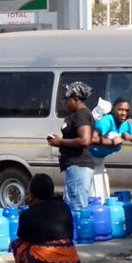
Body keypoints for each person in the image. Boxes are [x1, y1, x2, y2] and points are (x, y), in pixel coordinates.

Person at [11, 174, 80, 263]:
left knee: (17, 244)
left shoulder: (27, 214)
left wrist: (30, 207)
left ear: (32, 193)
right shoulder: (64, 207)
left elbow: (23, 237)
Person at [48, 82, 95, 212]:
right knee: (72, 205)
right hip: (73, 166)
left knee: (78, 208)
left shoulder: (81, 114)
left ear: (75, 99)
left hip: (78, 166)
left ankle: (80, 233)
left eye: (66, 99)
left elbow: (85, 140)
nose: (64, 103)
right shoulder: (77, 115)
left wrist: (61, 141)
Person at [89, 97, 132, 200]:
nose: (123, 113)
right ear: (113, 110)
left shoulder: (126, 125)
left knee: (101, 194)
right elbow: (92, 138)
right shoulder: (107, 121)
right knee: (90, 196)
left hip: (98, 161)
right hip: (86, 160)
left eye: (126, 110)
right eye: (120, 109)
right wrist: (112, 142)